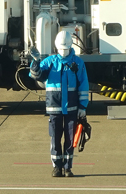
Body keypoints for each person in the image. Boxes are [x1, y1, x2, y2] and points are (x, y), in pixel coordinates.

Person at [29, 29, 89, 178]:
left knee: (70, 139)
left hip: (72, 108)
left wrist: (83, 107)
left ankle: (68, 168)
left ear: (70, 47)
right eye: (61, 49)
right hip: (54, 108)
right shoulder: (49, 62)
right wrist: (36, 61)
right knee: (55, 139)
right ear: (57, 47)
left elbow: (83, 85)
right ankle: (57, 167)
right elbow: (36, 76)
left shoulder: (77, 63)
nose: (63, 51)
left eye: (65, 48)